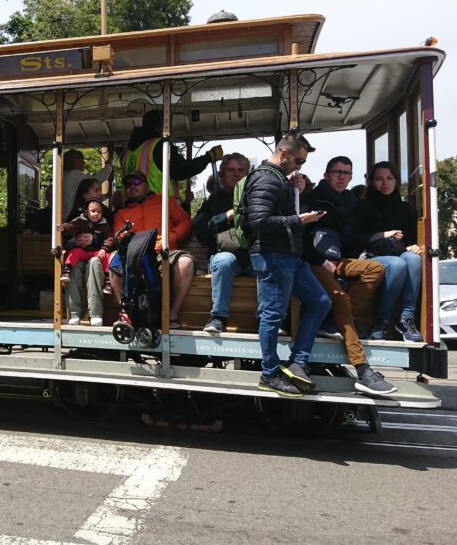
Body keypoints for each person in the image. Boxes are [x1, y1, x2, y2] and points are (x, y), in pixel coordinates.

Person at [244, 132, 331, 397]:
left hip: (289, 256)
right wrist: (299, 221)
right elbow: (258, 222)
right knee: (273, 315)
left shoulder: (278, 179)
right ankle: (269, 374)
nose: (300, 166)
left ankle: (297, 361)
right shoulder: (267, 178)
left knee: (321, 301)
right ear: (283, 153)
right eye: (298, 160)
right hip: (273, 255)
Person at [302, 156, 396, 395]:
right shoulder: (311, 199)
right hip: (312, 261)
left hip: (337, 259)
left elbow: (352, 239)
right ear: (326, 175)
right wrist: (321, 261)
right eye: (337, 172)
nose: (342, 177)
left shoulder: (350, 203)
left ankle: (334, 320)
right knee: (340, 299)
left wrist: (381, 236)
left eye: (347, 173)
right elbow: (300, 237)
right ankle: (363, 369)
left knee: (375, 269)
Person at [109, 171, 195, 329]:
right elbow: (119, 236)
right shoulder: (121, 213)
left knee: (185, 263)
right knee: (114, 260)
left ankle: (172, 315)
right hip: (135, 256)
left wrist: (171, 237)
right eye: (128, 185)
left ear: (146, 184)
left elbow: (186, 222)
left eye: (136, 183)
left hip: (164, 252)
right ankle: (126, 312)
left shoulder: (165, 202)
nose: (132, 187)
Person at [355, 161, 425, 342]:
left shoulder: (405, 209)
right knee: (398, 263)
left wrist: (414, 246)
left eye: (389, 178)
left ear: (396, 181)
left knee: (413, 259)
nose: (384, 183)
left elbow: (410, 240)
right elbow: (357, 238)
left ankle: (405, 319)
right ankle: (382, 321)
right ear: (371, 181)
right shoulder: (362, 207)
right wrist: (382, 235)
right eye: (379, 179)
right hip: (370, 255)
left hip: (398, 253)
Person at [192, 153, 252, 333]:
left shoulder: (257, 197)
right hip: (227, 257)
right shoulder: (213, 202)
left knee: (270, 261)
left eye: (241, 171)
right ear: (222, 174)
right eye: (231, 170)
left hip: (252, 257)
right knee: (223, 261)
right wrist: (226, 216)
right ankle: (218, 317)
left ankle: (270, 318)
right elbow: (201, 231)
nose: (236, 174)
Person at [124, 110, 222, 197]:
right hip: (157, 209)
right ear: (161, 126)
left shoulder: (128, 153)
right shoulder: (159, 145)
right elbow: (181, 169)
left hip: (132, 212)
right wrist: (208, 157)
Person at [59, 199, 115, 325]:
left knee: (96, 261)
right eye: (93, 211)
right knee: (74, 261)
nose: (96, 214)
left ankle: (95, 313)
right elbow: (71, 227)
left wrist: (103, 247)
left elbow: (110, 238)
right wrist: (64, 227)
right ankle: (74, 313)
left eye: (99, 212)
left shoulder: (105, 223)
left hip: (95, 254)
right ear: (86, 211)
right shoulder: (80, 220)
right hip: (81, 253)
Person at [61, 149, 113, 219]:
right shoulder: (74, 174)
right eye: (80, 159)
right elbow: (96, 180)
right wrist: (108, 166)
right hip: (72, 216)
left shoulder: (62, 174)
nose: (83, 163)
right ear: (71, 161)